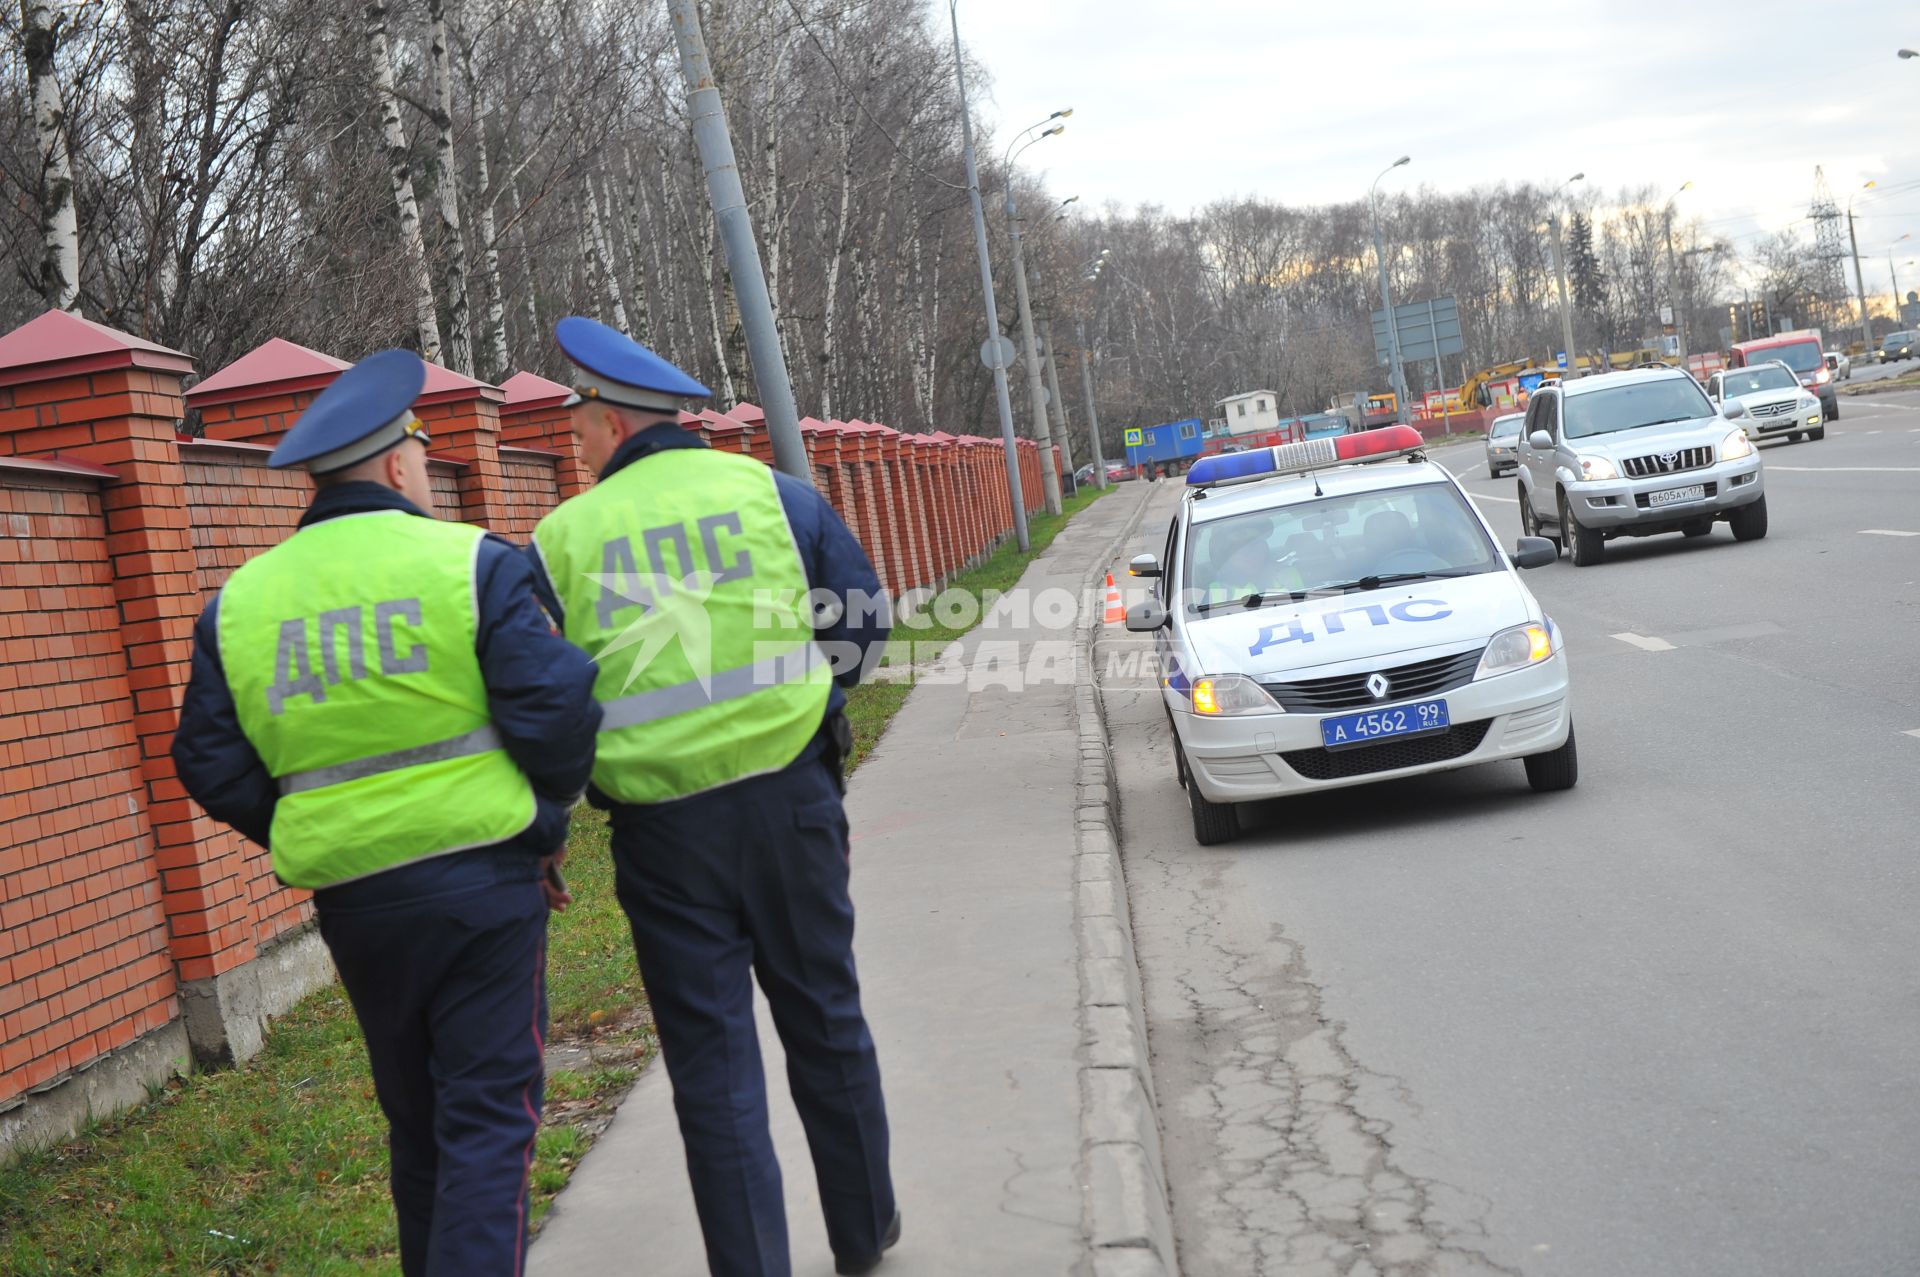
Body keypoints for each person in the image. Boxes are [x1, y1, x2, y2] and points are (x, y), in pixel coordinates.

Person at [170, 349, 602, 1277]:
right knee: (489, 1120)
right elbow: (558, 708)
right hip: (487, 884)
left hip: (357, 902)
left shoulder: (241, 602)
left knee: (421, 1130)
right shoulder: (470, 561)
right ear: (403, 462)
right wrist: (545, 820)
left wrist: (308, 824)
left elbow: (205, 759)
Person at [527, 316, 899, 1277]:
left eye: (578, 425)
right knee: (826, 1017)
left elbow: (551, 703)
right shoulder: (773, 494)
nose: (574, 441)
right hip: (793, 803)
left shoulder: (561, 537)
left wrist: (562, 809)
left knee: (711, 1064)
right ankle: (862, 1237)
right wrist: (815, 702)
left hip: (662, 833)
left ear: (612, 421)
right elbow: (863, 622)